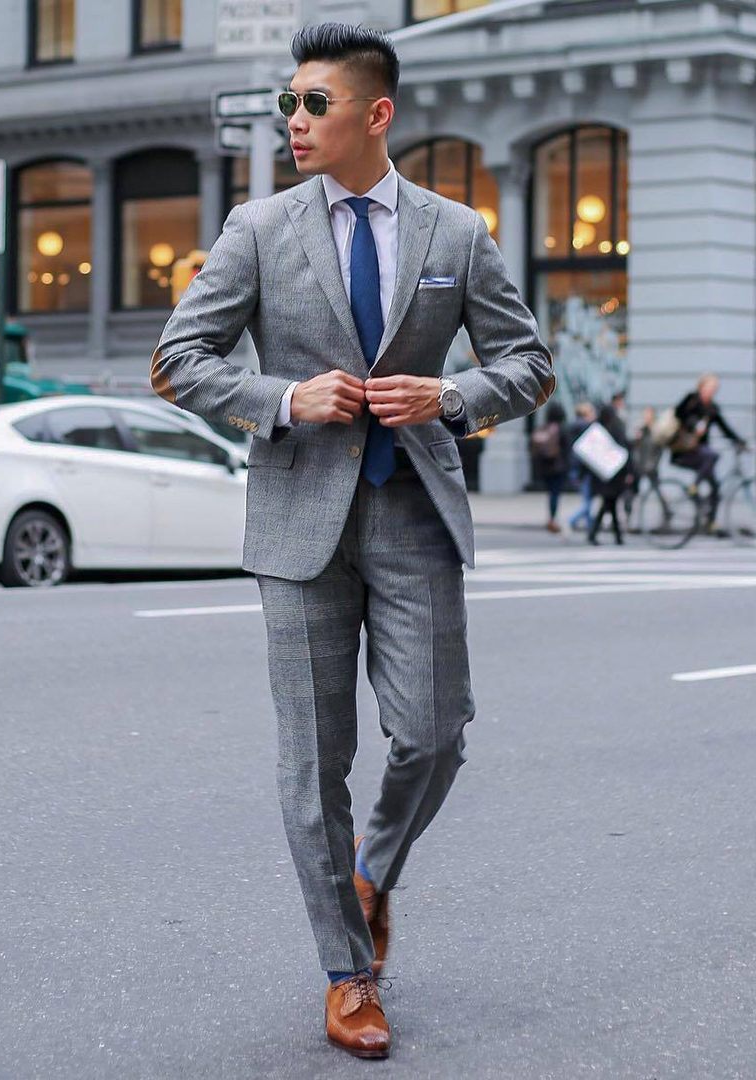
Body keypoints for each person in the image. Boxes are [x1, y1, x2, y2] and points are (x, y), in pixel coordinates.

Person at [150, 22, 554, 1060]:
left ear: (374, 113)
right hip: (297, 520)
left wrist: (450, 392)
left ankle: (370, 873)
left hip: (415, 510)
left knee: (433, 732)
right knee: (311, 764)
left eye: (313, 104)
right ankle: (347, 971)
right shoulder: (256, 225)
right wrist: (283, 395)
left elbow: (526, 361)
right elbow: (179, 358)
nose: (294, 120)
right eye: (289, 104)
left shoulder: (454, 232)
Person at [670, 374, 747, 534]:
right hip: (684, 450)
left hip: (702, 454)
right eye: (709, 387)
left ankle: (710, 521)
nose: (711, 391)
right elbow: (678, 414)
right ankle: (694, 487)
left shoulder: (712, 408)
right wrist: (693, 425)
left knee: (715, 487)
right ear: (701, 386)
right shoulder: (691, 399)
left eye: (713, 389)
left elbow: (724, 427)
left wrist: (740, 442)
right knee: (714, 456)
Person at [588, 402, 631, 545]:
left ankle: (608, 536)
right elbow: (625, 451)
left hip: (607, 475)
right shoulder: (616, 427)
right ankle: (612, 536)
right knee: (609, 504)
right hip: (615, 474)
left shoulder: (601, 428)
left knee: (609, 504)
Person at [532, 400, 571, 533]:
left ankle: (551, 518)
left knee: (551, 493)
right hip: (558, 467)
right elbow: (567, 450)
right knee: (555, 493)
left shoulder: (544, 427)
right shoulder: (561, 429)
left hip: (546, 467)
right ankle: (552, 519)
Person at [567, 401, 596, 532]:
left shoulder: (572, 426)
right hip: (583, 468)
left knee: (587, 498)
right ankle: (571, 521)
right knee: (587, 500)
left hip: (574, 467)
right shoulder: (586, 426)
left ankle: (591, 528)